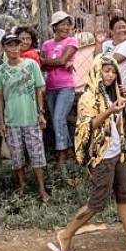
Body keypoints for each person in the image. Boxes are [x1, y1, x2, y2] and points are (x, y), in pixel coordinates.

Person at [47, 55, 126, 251]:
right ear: (98, 71)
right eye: (106, 70)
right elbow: (86, 127)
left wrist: (121, 102)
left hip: (117, 152)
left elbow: (116, 123)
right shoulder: (88, 98)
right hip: (102, 156)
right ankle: (66, 234)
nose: (110, 74)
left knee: (123, 194)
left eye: (113, 71)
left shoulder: (109, 94)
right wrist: (109, 111)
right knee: (97, 201)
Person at [0, 32, 49, 202]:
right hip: (12, 120)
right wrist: (2, 122)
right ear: (4, 48)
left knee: (37, 155)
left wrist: (41, 113)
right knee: (17, 157)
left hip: (31, 118)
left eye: (16, 44)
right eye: (10, 45)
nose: (14, 48)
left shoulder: (31, 65)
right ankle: (22, 186)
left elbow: (40, 89)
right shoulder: (0, 71)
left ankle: (41, 189)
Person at [41, 11, 78, 165]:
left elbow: (62, 61)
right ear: (54, 26)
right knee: (58, 121)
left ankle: (61, 153)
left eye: (67, 24)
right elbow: (41, 66)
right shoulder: (46, 44)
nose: (65, 27)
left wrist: (45, 61)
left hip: (66, 87)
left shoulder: (72, 41)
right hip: (50, 86)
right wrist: (47, 62)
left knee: (58, 119)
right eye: (62, 24)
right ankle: (69, 149)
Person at [96, 15, 126, 90]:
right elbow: (96, 59)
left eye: (124, 27)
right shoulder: (106, 44)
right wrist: (99, 43)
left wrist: (100, 61)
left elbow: (110, 62)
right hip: (105, 87)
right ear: (112, 31)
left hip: (121, 88)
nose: (122, 30)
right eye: (119, 28)